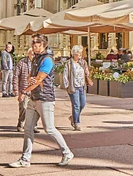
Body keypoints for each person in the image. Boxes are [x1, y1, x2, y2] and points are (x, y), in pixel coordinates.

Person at [9, 34, 73, 168]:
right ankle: (25, 159)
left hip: (45, 99)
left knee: (49, 128)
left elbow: (38, 80)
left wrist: (25, 91)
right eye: (32, 43)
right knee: (28, 129)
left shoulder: (48, 60)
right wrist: (31, 81)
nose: (32, 45)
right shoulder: (35, 59)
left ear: (42, 44)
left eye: (35, 43)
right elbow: (30, 78)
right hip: (34, 98)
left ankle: (67, 152)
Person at [62, 45, 93, 131]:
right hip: (73, 87)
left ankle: (73, 117)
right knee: (76, 105)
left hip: (82, 86)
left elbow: (86, 72)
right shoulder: (69, 63)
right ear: (74, 54)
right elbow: (65, 75)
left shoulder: (82, 62)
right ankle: (76, 123)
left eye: (80, 53)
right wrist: (67, 86)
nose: (80, 55)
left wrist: (88, 75)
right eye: (78, 54)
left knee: (82, 104)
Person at [13, 48, 40, 133]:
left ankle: (34, 125)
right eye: (32, 54)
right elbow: (16, 76)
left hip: (34, 89)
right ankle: (20, 123)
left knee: (36, 109)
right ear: (28, 54)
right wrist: (15, 89)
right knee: (23, 108)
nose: (33, 56)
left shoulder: (37, 63)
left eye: (35, 54)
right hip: (24, 89)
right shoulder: (22, 62)